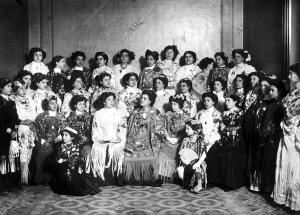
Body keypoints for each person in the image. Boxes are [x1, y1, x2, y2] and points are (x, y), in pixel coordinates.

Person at [272, 63, 300, 211]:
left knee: (295, 164)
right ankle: (284, 197)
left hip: (296, 132)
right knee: (284, 161)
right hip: (287, 130)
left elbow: (293, 113)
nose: (289, 76)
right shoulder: (292, 91)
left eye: (291, 73)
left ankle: (296, 201)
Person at [123, 90, 164, 185]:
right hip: (135, 138)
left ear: (150, 101)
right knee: (128, 150)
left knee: (152, 150)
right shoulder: (135, 111)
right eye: (141, 97)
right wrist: (131, 138)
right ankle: (133, 178)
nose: (142, 99)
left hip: (149, 139)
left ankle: (149, 178)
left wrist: (154, 139)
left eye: (145, 98)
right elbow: (130, 127)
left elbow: (159, 129)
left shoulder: (155, 112)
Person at [208, 94, 246, 189]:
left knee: (230, 154)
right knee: (213, 150)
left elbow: (239, 126)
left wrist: (228, 129)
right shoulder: (224, 113)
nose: (227, 103)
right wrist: (227, 130)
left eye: (229, 100)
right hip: (225, 138)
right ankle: (217, 180)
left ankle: (230, 183)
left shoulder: (240, 112)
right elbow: (221, 127)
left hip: (236, 139)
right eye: (226, 100)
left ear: (235, 101)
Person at [90, 92, 127, 185]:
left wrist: (119, 137)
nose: (112, 101)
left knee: (116, 148)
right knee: (98, 148)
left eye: (113, 99)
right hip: (102, 137)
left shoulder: (119, 113)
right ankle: (101, 178)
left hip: (116, 138)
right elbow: (95, 128)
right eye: (109, 99)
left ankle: (117, 177)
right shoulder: (98, 113)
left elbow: (122, 127)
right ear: (104, 102)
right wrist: (98, 138)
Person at [50, 127, 100, 196]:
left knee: (72, 172)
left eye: (66, 135)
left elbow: (75, 160)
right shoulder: (61, 146)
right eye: (63, 135)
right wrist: (60, 160)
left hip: (73, 169)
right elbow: (59, 158)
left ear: (72, 137)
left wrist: (66, 160)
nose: (63, 137)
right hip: (63, 169)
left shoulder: (75, 147)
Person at [191, 92, 222, 192]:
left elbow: (216, 130)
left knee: (206, 153)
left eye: (208, 100)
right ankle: (196, 181)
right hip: (201, 139)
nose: (206, 102)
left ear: (214, 102)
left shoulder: (217, 114)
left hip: (212, 140)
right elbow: (196, 127)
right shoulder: (200, 113)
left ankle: (204, 181)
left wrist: (209, 139)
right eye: (204, 100)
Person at [260, 79, 285, 195]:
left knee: (272, 163)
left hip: (275, 139)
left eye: (272, 90)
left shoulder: (281, 105)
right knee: (267, 162)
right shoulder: (272, 104)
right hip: (268, 139)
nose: (270, 93)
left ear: (279, 91)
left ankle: (271, 189)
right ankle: (267, 187)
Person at [33, 96, 66, 184]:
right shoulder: (41, 116)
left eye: (55, 103)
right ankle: (43, 179)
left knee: (59, 152)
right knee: (42, 152)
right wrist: (45, 142)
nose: (54, 105)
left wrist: (56, 140)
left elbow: (63, 131)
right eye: (52, 103)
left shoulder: (61, 117)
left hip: (58, 141)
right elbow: (39, 132)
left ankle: (55, 178)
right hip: (45, 142)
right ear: (47, 105)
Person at [10, 80, 37, 184]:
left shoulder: (29, 98)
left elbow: (33, 112)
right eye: (20, 88)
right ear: (15, 90)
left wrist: (32, 122)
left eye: (24, 88)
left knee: (30, 149)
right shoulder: (13, 100)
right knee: (22, 151)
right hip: (20, 127)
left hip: (30, 127)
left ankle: (27, 176)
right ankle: (22, 177)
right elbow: (14, 116)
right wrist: (21, 123)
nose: (23, 90)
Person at [159, 94, 189, 181]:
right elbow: (162, 126)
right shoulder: (168, 114)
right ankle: (163, 175)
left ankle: (176, 176)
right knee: (162, 148)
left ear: (180, 105)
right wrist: (168, 137)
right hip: (167, 138)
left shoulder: (186, 116)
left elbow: (186, 131)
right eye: (172, 104)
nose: (172, 106)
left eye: (175, 104)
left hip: (179, 140)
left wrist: (178, 139)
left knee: (180, 149)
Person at [0, 78, 21, 192]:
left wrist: (22, 122)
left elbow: (15, 119)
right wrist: (9, 131)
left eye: (10, 86)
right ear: (1, 88)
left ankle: (13, 183)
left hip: (13, 134)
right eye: (7, 86)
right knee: (4, 159)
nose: (10, 88)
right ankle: (3, 185)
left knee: (13, 158)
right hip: (3, 135)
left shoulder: (11, 101)